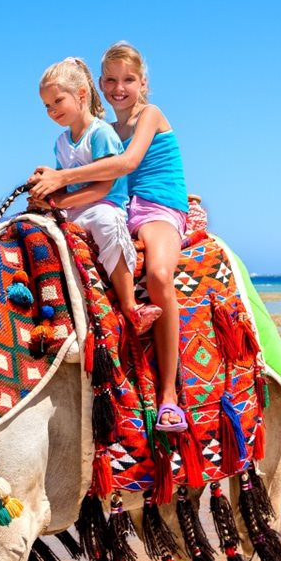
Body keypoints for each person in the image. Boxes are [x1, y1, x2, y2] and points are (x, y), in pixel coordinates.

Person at [29, 42, 189, 432]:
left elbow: (127, 164)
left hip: (156, 208)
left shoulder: (150, 115)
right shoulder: (105, 130)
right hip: (125, 205)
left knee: (159, 276)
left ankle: (169, 396)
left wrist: (62, 179)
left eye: (128, 80)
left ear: (143, 82)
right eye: (112, 80)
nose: (120, 88)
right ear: (100, 84)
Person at [34, 56, 161, 335]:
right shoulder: (61, 142)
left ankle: (130, 306)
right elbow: (63, 182)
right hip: (76, 207)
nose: (52, 110)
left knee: (107, 223)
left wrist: (61, 202)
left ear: (81, 94)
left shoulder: (100, 134)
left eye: (57, 101)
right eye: (47, 106)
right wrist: (45, 190)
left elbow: (104, 186)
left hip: (104, 204)